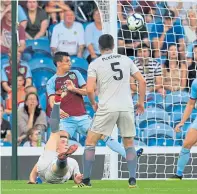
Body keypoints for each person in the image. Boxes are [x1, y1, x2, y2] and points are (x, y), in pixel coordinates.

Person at [74, 34, 146, 188]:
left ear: (99, 47)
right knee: (128, 143)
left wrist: (94, 103)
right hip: (126, 106)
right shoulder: (126, 60)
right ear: (113, 45)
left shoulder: (95, 63)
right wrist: (140, 103)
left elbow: (90, 89)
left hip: (107, 106)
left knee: (90, 141)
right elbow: (142, 80)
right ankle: (132, 180)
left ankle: (86, 180)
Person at [46, 51, 138, 159]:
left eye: (70, 60)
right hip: (66, 119)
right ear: (58, 63)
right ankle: (52, 164)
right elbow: (52, 102)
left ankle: (128, 155)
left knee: (103, 135)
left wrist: (74, 89)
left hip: (82, 117)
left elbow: (87, 91)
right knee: (61, 139)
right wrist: (58, 110)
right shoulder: (52, 81)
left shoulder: (75, 74)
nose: (70, 63)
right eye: (67, 61)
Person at [28, 94, 83, 184]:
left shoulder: (73, 162)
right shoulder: (52, 154)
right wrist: (32, 180)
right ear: (56, 147)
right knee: (55, 133)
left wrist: (78, 179)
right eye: (63, 142)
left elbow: (78, 178)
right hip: (50, 167)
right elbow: (35, 169)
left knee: (55, 132)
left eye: (67, 143)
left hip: (48, 170)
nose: (66, 144)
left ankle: (57, 103)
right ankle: (62, 160)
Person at [170, 78, 197, 179]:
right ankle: (178, 175)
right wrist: (182, 122)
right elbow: (190, 104)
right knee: (187, 143)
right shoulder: (195, 83)